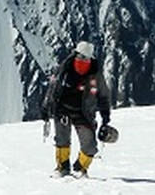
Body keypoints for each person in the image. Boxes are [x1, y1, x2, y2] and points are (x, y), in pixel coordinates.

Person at [41, 40, 112, 177]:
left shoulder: (95, 75)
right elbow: (53, 88)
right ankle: (62, 167)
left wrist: (105, 117)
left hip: (83, 114)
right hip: (62, 109)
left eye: (84, 57)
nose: (80, 59)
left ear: (90, 59)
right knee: (62, 140)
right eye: (79, 56)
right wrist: (46, 107)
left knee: (90, 146)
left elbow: (104, 96)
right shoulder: (65, 69)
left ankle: (80, 168)